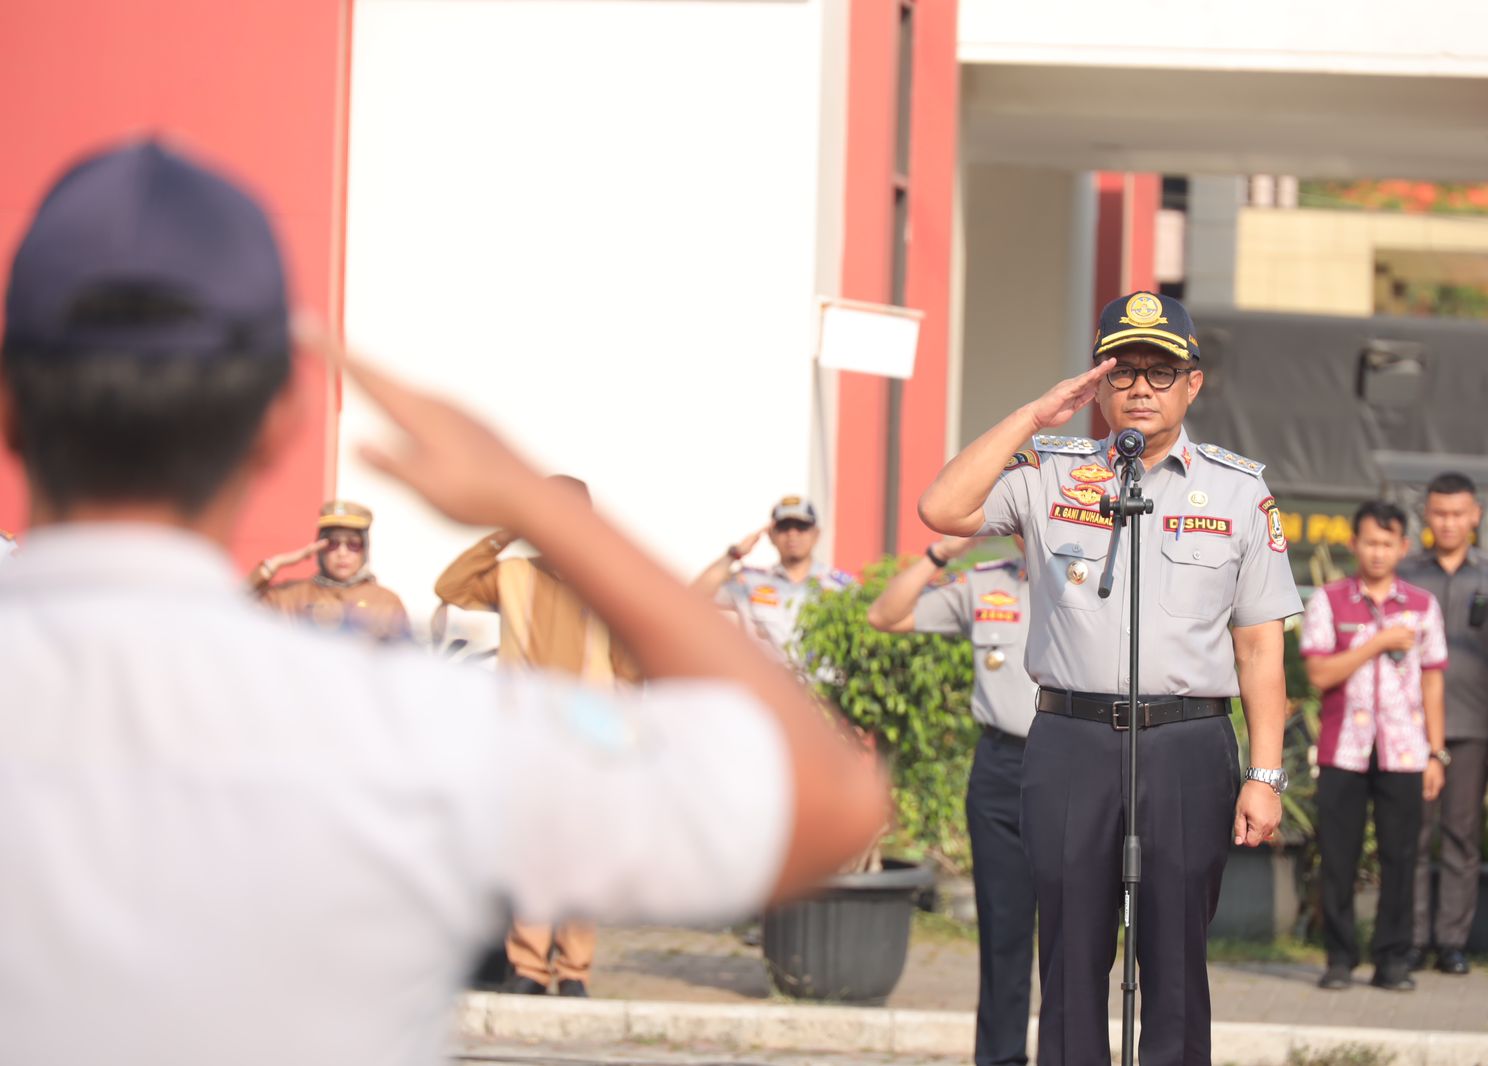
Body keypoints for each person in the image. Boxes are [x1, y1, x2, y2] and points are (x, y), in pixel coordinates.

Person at [0, 139, 887, 1066]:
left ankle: (563, 967)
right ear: (279, 424)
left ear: (11, 404)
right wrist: (529, 500)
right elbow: (825, 799)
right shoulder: (407, 724)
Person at [918, 291, 1301, 1066]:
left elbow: (1261, 649)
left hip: (1188, 744)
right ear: (1097, 382)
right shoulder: (1049, 473)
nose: (1141, 389)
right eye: (1123, 371)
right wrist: (1033, 416)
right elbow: (942, 508)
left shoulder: (1238, 492)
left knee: (1176, 960)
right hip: (1071, 741)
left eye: (1162, 372)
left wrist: (1265, 777)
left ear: (1193, 384)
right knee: (1069, 956)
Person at [435, 477, 641, 999]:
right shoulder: (513, 573)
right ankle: (528, 966)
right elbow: (451, 587)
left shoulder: (608, 584)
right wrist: (506, 532)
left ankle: (573, 971)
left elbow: (628, 671)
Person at [867, 534, 1035, 1066]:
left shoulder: (1101, 576)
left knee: (1076, 935)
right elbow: (885, 615)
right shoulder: (985, 584)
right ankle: (1001, 1058)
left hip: (1077, 763)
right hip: (1002, 763)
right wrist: (941, 554)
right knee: (1003, 930)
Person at [1300, 501, 1447, 992]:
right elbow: (1319, 673)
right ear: (1353, 544)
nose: (1378, 552)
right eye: (1369, 542)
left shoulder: (1423, 605)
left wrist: (1436, 752)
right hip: (1343, 750)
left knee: (1401, 858)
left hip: (1405, 749)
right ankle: (1340, 959)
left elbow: (1434, 682)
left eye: (1387, 543)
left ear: (1403, 547)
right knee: (1338, 857)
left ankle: (1393, 961)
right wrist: (1376, 643)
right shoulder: (1329, 600)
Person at [1397, 472, 1488, 976]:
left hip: (1472, 724)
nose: (1449, 523)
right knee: (1412, 833)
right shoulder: (1406, 573)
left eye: (1458, 514)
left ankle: (1452, 942)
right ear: (1427, 515)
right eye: (1440, 513)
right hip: (1407, 725)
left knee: (1461, 833)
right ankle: (1410, 939)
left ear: (1476, 516)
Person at [692, 496, 853, 665]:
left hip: (818, 682)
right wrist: (734, 554)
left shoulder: (839, 586)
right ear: (771, 535)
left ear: (816, 534)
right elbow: (696, 595)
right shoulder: (750, 582)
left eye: (801, 526)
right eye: (784, 527)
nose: (792, 534)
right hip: (764, 681)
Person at [248, 499, 412, 643]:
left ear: (365, 549)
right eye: (332, 544)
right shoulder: (290, 595)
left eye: (353, 544)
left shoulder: (386, 602)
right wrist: (276, 563)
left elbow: (402, 660)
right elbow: (238, 610)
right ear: (320, 547)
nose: (342, 553)